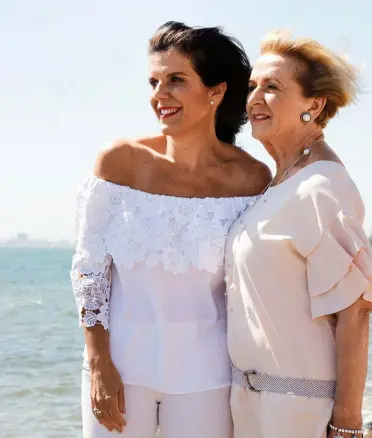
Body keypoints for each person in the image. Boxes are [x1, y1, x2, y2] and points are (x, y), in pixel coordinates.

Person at [70, 21, 270, 438]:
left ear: (215, 92)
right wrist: (99, 364)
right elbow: (89, 272)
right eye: (154, 81)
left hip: (210, 376)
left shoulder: (252, 179)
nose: (159, 95)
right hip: (121, 370)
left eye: (176, 80)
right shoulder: (120, 163)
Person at [224, 31, 372, 438]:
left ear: (313, 105)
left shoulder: (322, 185)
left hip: (298, 415)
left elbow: (356, 310)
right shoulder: (280, 184)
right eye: (252, 86)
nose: (255, 97)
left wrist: (346, 425)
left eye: (272, 87)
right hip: (251, 405)